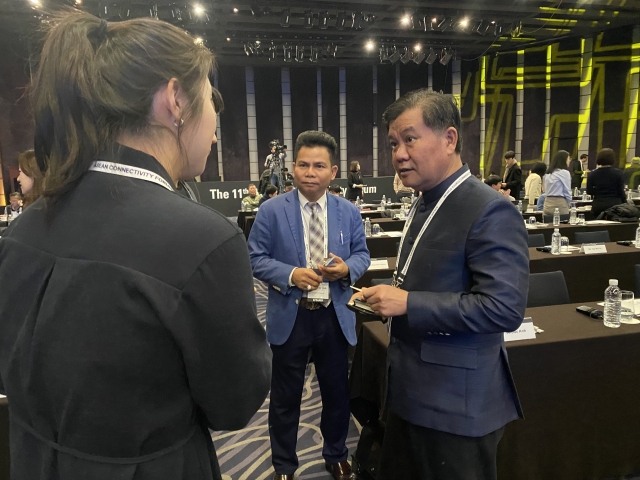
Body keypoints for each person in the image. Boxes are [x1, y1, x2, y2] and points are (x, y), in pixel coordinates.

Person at [0, 12, 271, 480]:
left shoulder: (26, 226)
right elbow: (235, 403)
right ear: (176, 100)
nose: (214, 119)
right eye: (212, 99)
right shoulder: (202, 239)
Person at [353, 89, 528, 480]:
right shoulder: (426, 199)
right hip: (412, 391)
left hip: (457, 408)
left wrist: (408, 303)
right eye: (394, 143)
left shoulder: (489, 208)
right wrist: (388, 296)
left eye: (410, 139)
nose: (398, 153)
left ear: (449, 139)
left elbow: (503, 308)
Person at [248, 130, 370, 480]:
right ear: (293, 169)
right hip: (292, 314)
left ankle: (336, 453)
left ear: (333, 172)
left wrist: (348, 269)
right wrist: (290, 274)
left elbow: (362, 254)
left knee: (336, 392)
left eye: (319, 166)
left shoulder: (348, 211)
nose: (310, 172)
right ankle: (285, 465)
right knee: (285, 398)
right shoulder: (271, 210)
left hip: (335, 315)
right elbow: (254, 257)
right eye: (303, 164)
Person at [587, 148, 626, 218]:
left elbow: (589, 191)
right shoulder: (618, 173)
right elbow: (621, 191)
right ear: (612, 159)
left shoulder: (592, 174)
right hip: (615, 205)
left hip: (598, 205)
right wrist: (625, 203)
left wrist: (599, 192)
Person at [543, 150, 572, 215]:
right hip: (559, 203)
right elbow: (567, 191)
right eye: (568, 159)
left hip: (547, 202)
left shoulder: (548, 173)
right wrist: (569, 203)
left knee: (548, 223)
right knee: (563, 223)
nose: (569, 161)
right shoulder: (564, 173)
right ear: (563, 160)